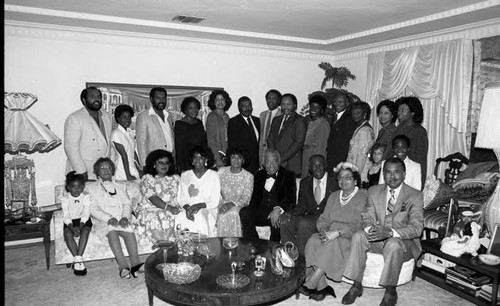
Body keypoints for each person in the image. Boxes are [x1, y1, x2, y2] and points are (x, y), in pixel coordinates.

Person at [342, 157, 423, 306]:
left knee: (393, 244)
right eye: (388, 172)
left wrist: (390, 232)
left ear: (404, 174)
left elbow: (416, 228)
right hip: (379, 237)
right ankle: (356, 285)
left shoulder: (415, 195)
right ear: (383, 174)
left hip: (403, 241)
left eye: (396, 172)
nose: (391, 176)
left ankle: (390, 291)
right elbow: (367, 216)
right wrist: (372, 230)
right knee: (359, 235)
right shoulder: (374, 191)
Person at [301, 162, 367, 301]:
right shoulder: (334, 195)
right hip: (330, 233)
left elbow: (358, 223)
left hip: (348, 236)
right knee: (313, 240)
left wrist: (337, 232)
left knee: (331, 244)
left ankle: (311, 282)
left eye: (347, 177)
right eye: (340, 178)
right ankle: (323, 286)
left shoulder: (362, 196)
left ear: (355, 180)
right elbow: (324, 218)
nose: (343, 181)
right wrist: (324, 231)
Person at [88, 158, 143, 279]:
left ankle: (135, 264)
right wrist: (108, 218)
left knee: (128, 228)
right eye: (102, 168)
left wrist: (125, 217)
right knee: (111, 230)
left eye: (108, 167)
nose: (106, 170)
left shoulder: (121, 186)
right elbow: (93, 209)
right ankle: (123, 266)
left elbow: (127, 203)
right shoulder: (91, 188)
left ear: (112, 171)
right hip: (104, 220)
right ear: (97, 172)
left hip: (121, 216)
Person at [280, 155, 339, 256]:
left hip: (325, 218)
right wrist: (290, 212)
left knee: (304, 224)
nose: (318, 169)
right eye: (314, 166)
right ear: (310, 168)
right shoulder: (305, 182)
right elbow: (302, 205)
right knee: (285, 222)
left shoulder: (335, 182)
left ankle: (303, 260)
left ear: (325, 165)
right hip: (309, 216)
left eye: (320, 165)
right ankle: (290, 255)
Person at [239, 149, 296, 243]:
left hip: (277, 211)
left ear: (279, 161)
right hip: (261, 211)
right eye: (268, 162)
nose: (271, 165)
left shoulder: (288, 175)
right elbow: (254, 199)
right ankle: (254, 243)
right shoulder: (258, 175)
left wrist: (278, 209)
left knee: (276, 220)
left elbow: (291, 198)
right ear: (263, 163)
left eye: (274, 161)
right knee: (245, 212)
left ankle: (273, 247)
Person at [64, 87, 116, 181]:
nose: (97, 99)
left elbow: (110, 145)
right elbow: (71, 148)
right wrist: (81, 172)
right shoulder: (75, 118)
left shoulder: (107, 116)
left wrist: (110, 166)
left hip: (103, 173)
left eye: (99, 97)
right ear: (84, 100)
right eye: (92, 96)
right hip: (83, 173)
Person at [135, 150, 180, 245]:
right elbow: (152, 197)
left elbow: (183, 195)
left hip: (172, 209)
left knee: (180, 216)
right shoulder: (147, 178)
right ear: (154, 164)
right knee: (154, 218)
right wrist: (169, 208)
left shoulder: (176, 178)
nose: (164, 165)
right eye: (160, 163)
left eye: (166, 163)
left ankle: (173, 249)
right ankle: (161, 248)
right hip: (150, 209)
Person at [176, 146, 221, 237]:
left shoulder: (214, 175)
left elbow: (215, 201)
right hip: (188, 208)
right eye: (195, 158)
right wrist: (189, 209)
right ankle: (185, 247)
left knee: (199, 217)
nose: (197, 161)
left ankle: (202, 247)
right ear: (192, 160)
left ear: (206, 160)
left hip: (207, 209)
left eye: (201, 158)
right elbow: (181, 198)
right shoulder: (185, 175)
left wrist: (198, 206)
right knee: (181, 216)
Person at [385, 97, 428, 188]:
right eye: (398, 110)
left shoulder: (419, 132)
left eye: (403, 110)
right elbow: (389, 151)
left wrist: (419, 185)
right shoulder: (399, 128)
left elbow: (421, 161)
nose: (399, 113)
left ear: (413, 112)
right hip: (393, 173)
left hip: (409, 176)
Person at [267, 93, 307, 178]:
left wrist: (281, 158)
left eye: (288, 104)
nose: (285, 107)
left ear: (295, 106)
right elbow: (270, 139)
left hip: (292, 164)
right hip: (276, 164)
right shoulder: (276, 119)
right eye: (283, 104)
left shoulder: (299, 120)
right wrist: (274, 158)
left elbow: (298, 143)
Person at [217, 148, 254, 237]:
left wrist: (231, 204)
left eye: (239, 157)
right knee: (221, 213)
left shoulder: (248, 176)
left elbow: (246, 199)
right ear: (229, 158)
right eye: (233, 157)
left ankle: (235, 245)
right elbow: (215, 190)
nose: (236, 160)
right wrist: (220, 204)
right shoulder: (221, 171)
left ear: (243, 160)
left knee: (232, 213)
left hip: (237, 206)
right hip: (221, 203)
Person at [61, 171, 92, 276]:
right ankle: (79, 261)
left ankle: (77, 259)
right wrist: (71, 227)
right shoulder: (65, 199)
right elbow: (66, 215)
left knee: (86, 231)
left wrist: (80, 226)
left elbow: (86, 212)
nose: (76, 189)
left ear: (83, 187)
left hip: (83, 220)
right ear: (68, 187)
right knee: (67, 234)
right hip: (70, 221)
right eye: (73, 187)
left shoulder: (86, 197)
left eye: (79, 187)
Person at [136, 87, 175, 168]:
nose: (161, 101)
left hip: (169, 163)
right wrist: (145, 166)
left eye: (164, 98)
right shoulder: (143, 117)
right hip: (153, 164)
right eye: (158, 98)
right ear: (151, 99)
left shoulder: (169, 116)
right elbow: (141, 144)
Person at [227, 96, 261, 174]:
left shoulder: (257, 121)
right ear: (239, 108)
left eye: (249, 105)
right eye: (244, 106)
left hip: (256, 164)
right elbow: (232, 145)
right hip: (242, 164)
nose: (247, 108)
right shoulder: (233, 122)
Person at [326, 93, 357, 174]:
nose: (337, 103)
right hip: (331, 157)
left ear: (347, 104)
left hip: (340, 159)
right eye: (336, 101)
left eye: (340, 101)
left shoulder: (349, 118)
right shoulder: (334, 116)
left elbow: (345, 141)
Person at [174, 97, 207, 172]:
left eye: (196, 108)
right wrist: (181, 167)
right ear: (185, 110)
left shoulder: (199, 123)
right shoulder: (180, 125)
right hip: (186, 163)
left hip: (200, 161)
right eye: (190, 108)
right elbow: (179, 148)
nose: (194, 110)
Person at [301, 95, 330, 178]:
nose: (313, 109)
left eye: (317, 108)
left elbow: (321, 147)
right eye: (312, 106)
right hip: (307, 156)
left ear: (322, 110)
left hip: (315, 159)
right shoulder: (311, 122)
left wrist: (316, 165)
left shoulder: (323, 124)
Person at [347, 101, 375, 183]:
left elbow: (362, 156)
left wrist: (355, 176)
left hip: (360, 174)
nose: (355, 115)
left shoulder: (365, 131)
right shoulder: (360, 128)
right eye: (353, 113)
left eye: (358, 113)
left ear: (365, 114)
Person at [111, 104, 140, 181]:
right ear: (118, 118)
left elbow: (133, 153)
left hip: (132, 168)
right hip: (122, 171)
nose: (127, 119)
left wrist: (139, 168)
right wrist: (128, 175)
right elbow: (124, 156)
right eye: (124, 117)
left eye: (129, 117)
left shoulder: (130, 132)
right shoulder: (116, 134)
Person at [206, 89, 232, 169]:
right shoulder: (212, 117)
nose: (220, 102)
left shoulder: (226, 116)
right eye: (217, 99)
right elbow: (211, 141)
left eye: (222, 99)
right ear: (213, 102)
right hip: (217, 156)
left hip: (227, 155)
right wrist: (217, 159)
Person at [259, 89, 282, 168]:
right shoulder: (262, 115)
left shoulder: (282, 115)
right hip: (262, 152)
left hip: (275, 151)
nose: (270, 101)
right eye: (268, 98)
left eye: (274, 98)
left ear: (279, 101)